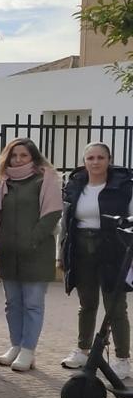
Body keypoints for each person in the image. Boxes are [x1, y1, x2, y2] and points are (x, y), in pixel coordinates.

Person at [60, 142, 132, 379]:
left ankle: (122, 359)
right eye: (90, 157)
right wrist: (62, 253)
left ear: (109, 160)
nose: (95, 162)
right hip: (81, 247)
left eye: (100, 157)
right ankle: (83, 349)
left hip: (113, 249)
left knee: (115, 306)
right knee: (87, 303)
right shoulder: (75, 185)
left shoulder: (123, 187)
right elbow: (66, 220)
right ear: (84, 161)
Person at [0, 138, 61, 372]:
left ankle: (28, 350)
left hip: (36, 252)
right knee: (12, 303)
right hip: (9, 252)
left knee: (32, 303)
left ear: (33, 157)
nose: (18, 159)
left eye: (23, 155)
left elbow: (52, 214)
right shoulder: (2, 182)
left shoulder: (46, 179)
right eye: (14, 155)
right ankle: (16, 346)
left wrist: (32, 240)